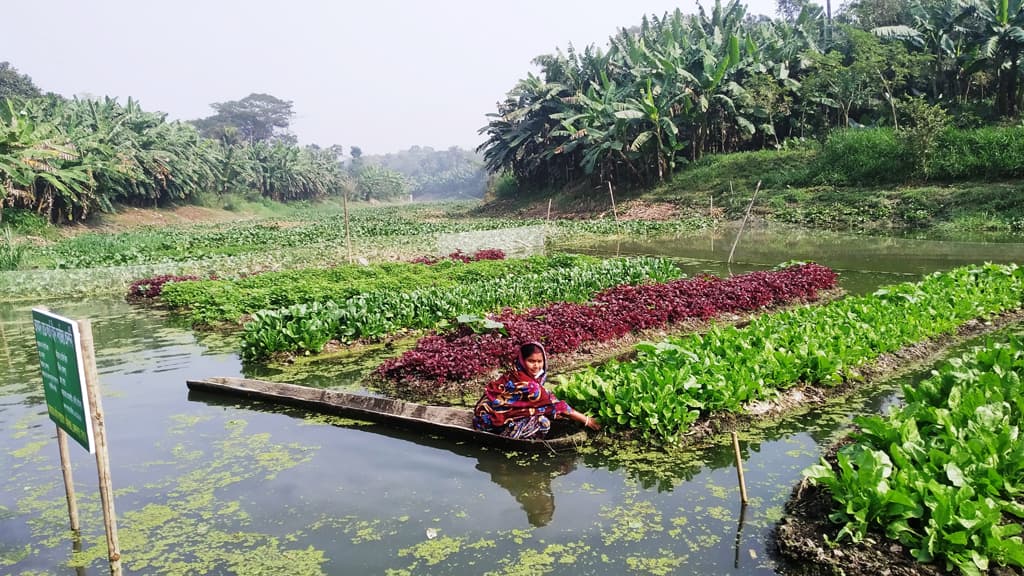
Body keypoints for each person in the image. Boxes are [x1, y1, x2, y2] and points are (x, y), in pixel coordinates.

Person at [472, 341, 601, 439]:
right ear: (522, 361)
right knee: (543, 423)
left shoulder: (515, 372)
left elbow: (530, 403)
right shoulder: (529, 386)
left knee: (544, 412)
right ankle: (509, 438)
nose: (536, 366)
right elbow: (556, 405)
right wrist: (587, 421)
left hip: (487, 415)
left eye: (540, 361)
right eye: (531, 361)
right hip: (491, 424)